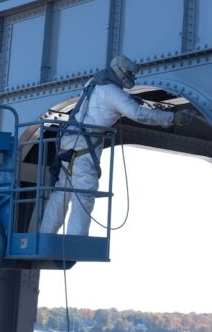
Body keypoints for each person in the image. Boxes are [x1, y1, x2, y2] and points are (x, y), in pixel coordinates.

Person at [39, 54, 192, 236]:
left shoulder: (94, 83)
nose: (132, 78)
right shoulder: (112, 92)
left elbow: (101, 105)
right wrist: (172, 118)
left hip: (69, 143)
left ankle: (44, 236)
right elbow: (138, 114)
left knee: (61, 193)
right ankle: (75, 240)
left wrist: (125, 100)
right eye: (129, 73)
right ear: (120, 71)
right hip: (84, 148)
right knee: (84, 193)